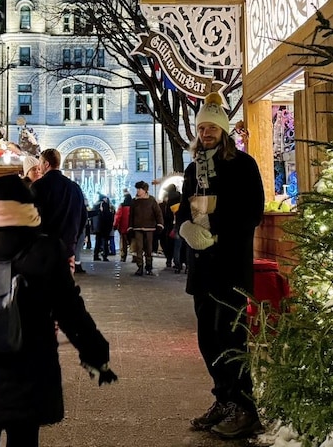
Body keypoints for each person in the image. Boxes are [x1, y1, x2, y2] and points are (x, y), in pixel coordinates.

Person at [0, 175, 116, 447]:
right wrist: (95, 352)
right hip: (30, 370)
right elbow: (70, 310)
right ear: (28, 207)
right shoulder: (46, 249)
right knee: (24, 439)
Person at [175, 92, 265, 440]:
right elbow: (183, 208)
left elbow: (251, 212)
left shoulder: (243, 166)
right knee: (207, 339)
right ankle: (223, 398)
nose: (207, 132)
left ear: (223, 131)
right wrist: (186, 228)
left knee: (231, 337)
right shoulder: (192, 169)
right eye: (202, 128)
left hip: (229, 265)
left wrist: (215, 230)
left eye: (212, 127)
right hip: (202, 270)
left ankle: (245, 406)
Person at [29, 148, 84, 273]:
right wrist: (73, 239)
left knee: (45, 285)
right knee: (66, 284)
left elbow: (31, 215)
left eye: (40, 163)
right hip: (68, 247)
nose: (38, 167)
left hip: (44, 247)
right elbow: (83, 217)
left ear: (46, 164)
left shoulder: (38, 186)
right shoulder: (74, 187)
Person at [127, 181, 164, 276]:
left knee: (149, 249)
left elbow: (158, 213)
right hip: (137, 228)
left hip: (149, 228)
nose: (138, 191)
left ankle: (149, 266)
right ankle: (140, 267)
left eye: (140, 189)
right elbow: (131, 215)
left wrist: (160, 224)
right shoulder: (134, 201)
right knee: (139, 248)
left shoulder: (151, 200)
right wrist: (130, 226)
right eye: (137, 189)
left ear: (145, 190)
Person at [161, 183, 181, 269]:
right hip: (179, 224)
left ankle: (169, 260)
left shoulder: (168, 201)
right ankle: (178, 262)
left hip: (169, 226)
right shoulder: (180, 198)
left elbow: (167, 216)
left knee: (168, 244)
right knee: (178, 245)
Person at [93, 194, 115, 261]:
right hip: (104, 227)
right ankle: (105, 256)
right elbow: (108, 216)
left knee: (98, 242)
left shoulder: (95, 206)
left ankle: (96, 255)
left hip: (97, 227)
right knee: (105, 242)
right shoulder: (105, 205)